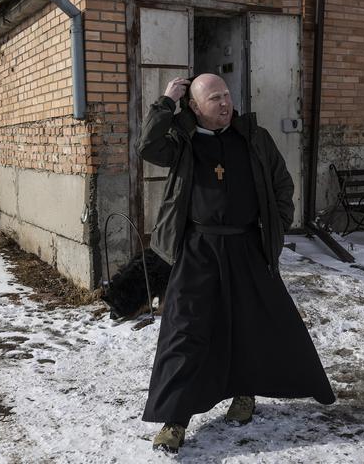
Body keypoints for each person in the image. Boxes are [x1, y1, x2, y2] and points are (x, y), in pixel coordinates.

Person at [137, 73, 335, 453]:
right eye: (214, 98)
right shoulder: (183, 140)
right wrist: (164, 103)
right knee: (185, 329)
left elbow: (282, 183)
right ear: (194, 106)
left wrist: (275, 224)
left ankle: (244, 394)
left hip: (247, 246)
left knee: (250, 324)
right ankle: (174, 419)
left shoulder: (254, 137)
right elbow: (147, 146)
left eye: (226, 95)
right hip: (198, 248)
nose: (225, 103)